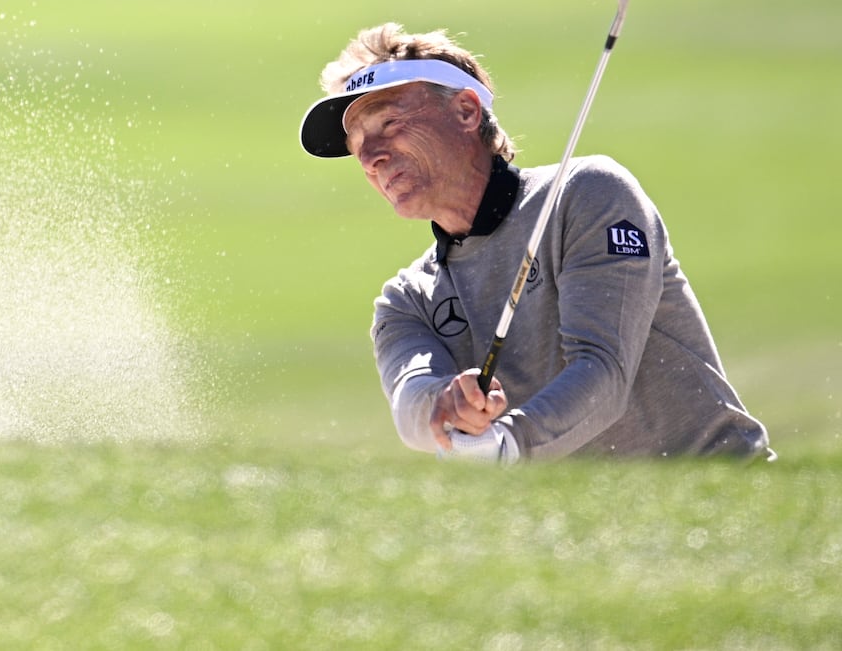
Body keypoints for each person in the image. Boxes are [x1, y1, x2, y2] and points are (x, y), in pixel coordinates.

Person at [299, 23, 771, 463]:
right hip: (592, 535)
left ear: (465, 111)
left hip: (725, 498)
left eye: (390, 123)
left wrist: (507, 444)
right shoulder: (406, 302)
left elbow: (604, 374)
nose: (371, 157)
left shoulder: (587, 194)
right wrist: (445, 407)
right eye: (357, 143)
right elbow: (412, 404)